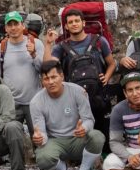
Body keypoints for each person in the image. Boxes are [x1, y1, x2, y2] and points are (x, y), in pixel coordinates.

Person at [43, 9, 116, 151]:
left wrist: (106, 76)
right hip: (73, 98)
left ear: (83, 23)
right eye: (70, 22)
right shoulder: (60, 47)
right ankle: (81, 157)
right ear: (66, 26)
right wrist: (48, 44)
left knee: (103, 130)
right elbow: (48, 67)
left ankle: (104, 157)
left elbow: (112, 63)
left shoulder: (100, 41)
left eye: (77, 21)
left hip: (99, 95)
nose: (74, 24)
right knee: (79, 130)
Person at [30, 60, 106, 170]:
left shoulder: (78, 92)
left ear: (62, 76)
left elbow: (89, 120)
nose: (51, 82)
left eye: (54, 77)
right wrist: (39, 138)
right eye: (46, 79)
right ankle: (61, 169)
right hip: (55, 141)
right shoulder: (36, 102)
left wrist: (84, 128)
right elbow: (41, 132)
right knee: (42, 158)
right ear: (42, 81)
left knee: (97, 136)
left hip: (77, 138)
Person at [0, 11, 44, 138]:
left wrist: (33, 55)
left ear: (23, 26)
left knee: (39, 137)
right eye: (10, 25)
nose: (13, 28)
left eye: (16, 24)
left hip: (35, 101)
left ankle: (39, 157)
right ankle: (15, 158)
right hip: (11, 103)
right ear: (5, 28)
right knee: (11, 136)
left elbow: (44, 70)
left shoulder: (36, 44)